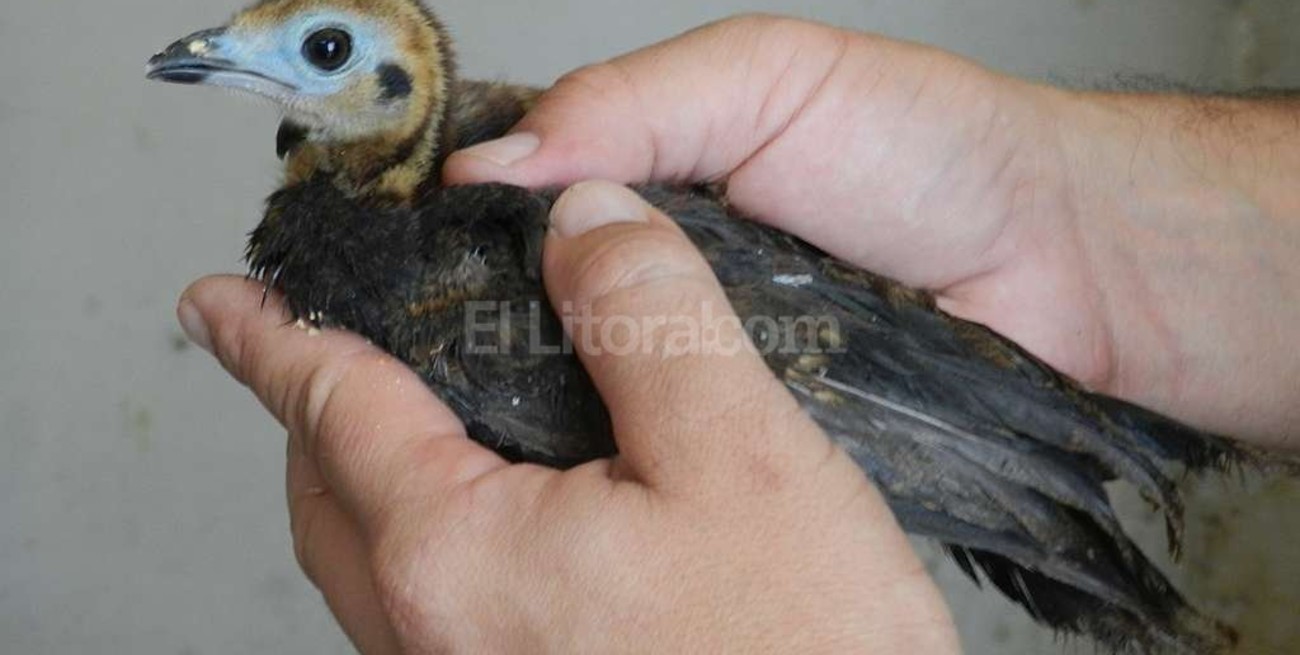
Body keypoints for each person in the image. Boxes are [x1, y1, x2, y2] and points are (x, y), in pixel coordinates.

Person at [175, 16, 1298, 653]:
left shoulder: (475, 270)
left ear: (397, 85)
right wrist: (1071, 225)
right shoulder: (427, 241)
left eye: (316, 50)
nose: (231, 57)